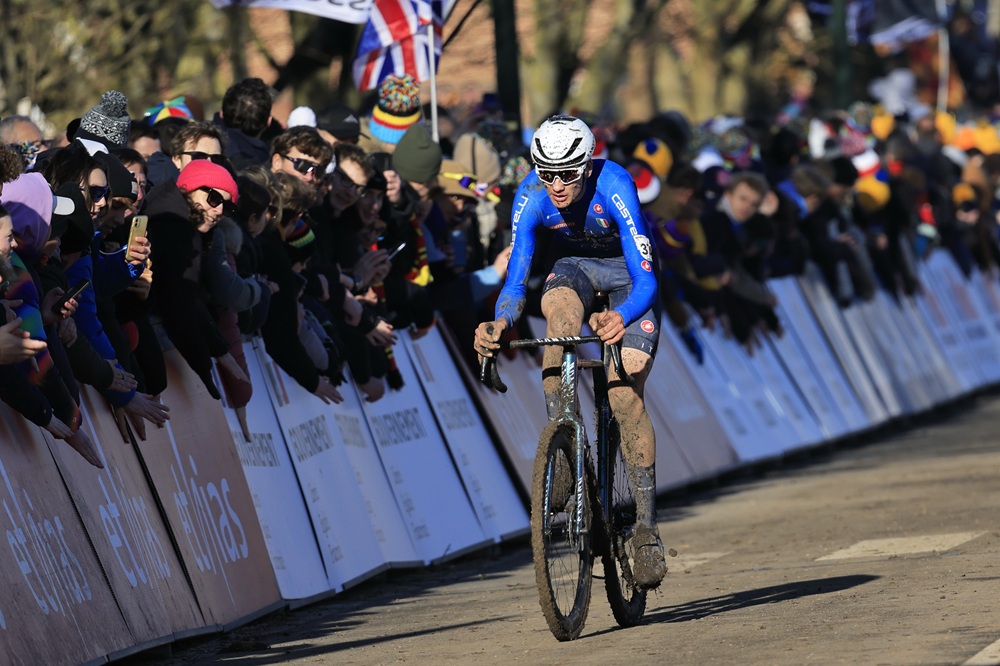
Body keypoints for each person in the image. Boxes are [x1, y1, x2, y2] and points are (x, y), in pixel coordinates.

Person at [473, 115, 667, 590]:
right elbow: (516, 280)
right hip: (575, 268)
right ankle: (564, 444)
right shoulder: (530, 196)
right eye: (546, 173)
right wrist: (501, 323)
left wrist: (621, 317)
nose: (556, 186)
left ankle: (645, 529)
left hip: (628, 275)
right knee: (558, 320)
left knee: (625, 391)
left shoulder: (616, 183)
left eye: (567, 174)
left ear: (586, 166)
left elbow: (646, 279)